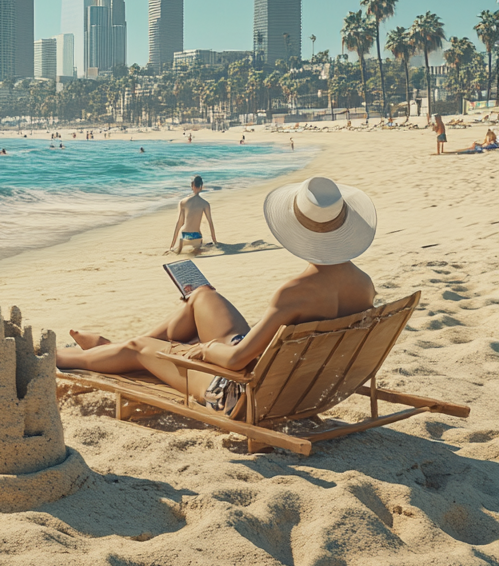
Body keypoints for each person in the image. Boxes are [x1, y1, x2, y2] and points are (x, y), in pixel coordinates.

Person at [59, 176, 378, 417]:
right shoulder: (364, 286)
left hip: (242, 392)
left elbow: (238, 360)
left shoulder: (295, 293)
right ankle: (111, 350)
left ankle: (63, 357)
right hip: (297, 386)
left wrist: (205, 350)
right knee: (201, 295)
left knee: (139, 347)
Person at [168, 175, 218, 254]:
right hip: (196, 238)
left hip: (183, 237)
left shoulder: (183, 202)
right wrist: (215, 241)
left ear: (192, 185)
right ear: (201, 187)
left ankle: (177, 248)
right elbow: (210, 223)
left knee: (177, 249)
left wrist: (171, 245)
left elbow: (179, 223)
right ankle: (199, 247)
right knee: (200, 241)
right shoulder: (205, 203)